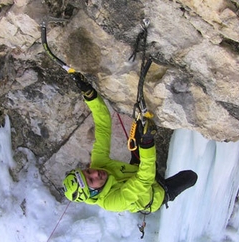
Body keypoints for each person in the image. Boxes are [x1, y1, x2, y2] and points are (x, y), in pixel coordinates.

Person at [62, 73, 198, 214]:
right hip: (157, 193)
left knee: (141, 124)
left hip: (137, 170)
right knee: (190, 177)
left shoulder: (98, 164)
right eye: (91, 180)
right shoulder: (112, 202)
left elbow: (103, 126)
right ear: (93, 192)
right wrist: (147, 142)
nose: (96, 173)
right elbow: (144, 180)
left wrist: (90, 96)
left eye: (88, 171)